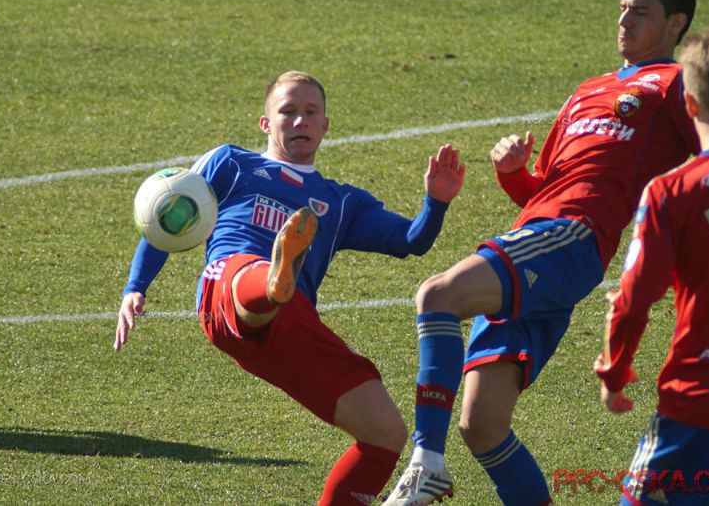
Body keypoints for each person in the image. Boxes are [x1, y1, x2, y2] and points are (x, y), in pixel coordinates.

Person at [384, 0, 700, 505]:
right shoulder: (587, 90)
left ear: (675, 24)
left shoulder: (675, 84)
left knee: (436, 295)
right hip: (537, 241)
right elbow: (543, 188)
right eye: (623, 8)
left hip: (572, 239)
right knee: (482, 425)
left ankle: (425, 461)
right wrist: (513, 172)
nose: (624, 21)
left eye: (641, 12)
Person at [113, 71, 466, 504]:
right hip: (227, 291)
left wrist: (436, 202)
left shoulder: (341, 201)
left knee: (385, 431)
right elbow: (167, 214)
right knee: (253, 271)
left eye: (311, 112)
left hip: (292, 326)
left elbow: (411, 240)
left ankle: (278, 283)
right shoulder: (232, 163)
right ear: (266, 123)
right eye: (288, 112)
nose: (300, 121)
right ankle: (273, 280)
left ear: (325, 125)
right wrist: (136, 286)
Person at [594, 29, 709, 505]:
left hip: (701, 403)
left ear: (689, 104)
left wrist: (615, 371)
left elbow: (632, 300)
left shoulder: (671, 193)